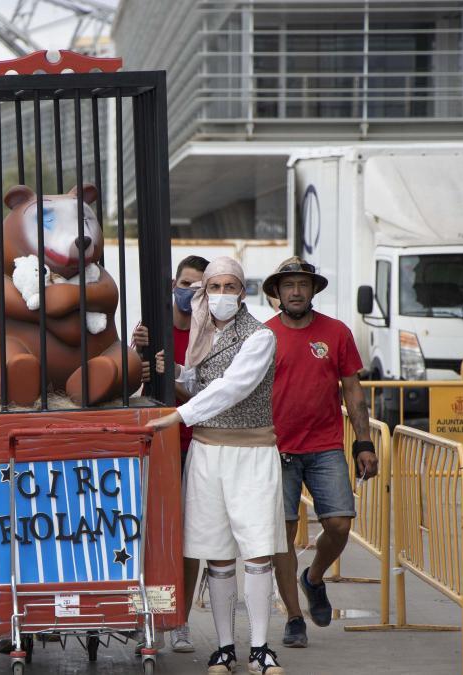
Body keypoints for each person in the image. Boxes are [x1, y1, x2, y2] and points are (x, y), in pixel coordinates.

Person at [147, 256, 286, 675]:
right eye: (214, 287)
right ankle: (225, 648)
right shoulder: (201, 334)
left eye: (230, 286)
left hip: (252, 454)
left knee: (258, 553)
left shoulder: (260, 336)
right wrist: (168, 371)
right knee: (218, 555)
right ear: (203, 292)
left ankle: (261, 648)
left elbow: (233, 387)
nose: (222, 294)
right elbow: (201, 382)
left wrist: (178, 414)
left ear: (243, 292)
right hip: (208, 451)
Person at [261, 257, 378, 648]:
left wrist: (363, 441)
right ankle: (295, 618)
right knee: (283, 536)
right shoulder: (263, 336)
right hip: (277, 451)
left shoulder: (337, 332)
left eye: (303, 285)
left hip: (326, 446)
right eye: (288, 285)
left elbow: (353, 391)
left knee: (341, 524)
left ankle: (313, 579)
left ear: (313, 291)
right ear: (276, 292)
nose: (296, 291)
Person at [130, 253, 208, 653]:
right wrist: (136, 360)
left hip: (197, 446)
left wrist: (169, 376)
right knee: (149, 534)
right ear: (172, 286)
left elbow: (207, 395)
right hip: (157, 446)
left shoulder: (210, 333)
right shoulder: (151, 330)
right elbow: (131, 383)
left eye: (198, 286)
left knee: (188, 539)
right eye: (185, 284)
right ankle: (146, 614)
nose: (189, 292)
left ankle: (179, 621)